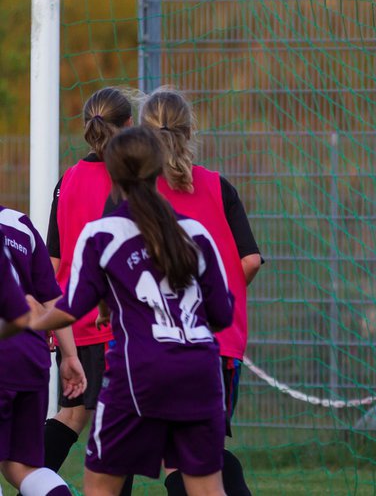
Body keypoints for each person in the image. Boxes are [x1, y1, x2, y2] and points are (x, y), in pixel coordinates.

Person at [31, 126, 235, 496]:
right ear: (159, 170)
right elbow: (222, 314)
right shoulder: (196, 233)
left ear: (112, 172)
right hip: (201, 372)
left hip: (140, 373)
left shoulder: (104, 234)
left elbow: (72, 307)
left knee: (101, 488)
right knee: (207, 490)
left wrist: (26, 322)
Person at [140, 88, 262, 496]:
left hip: (163, 343)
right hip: (221, 344)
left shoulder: (139, 196)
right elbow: (250, 260)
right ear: (191, 131)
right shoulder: (218, 186)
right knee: (200, 452)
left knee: (180, 456)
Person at [43, 87, 135, 488]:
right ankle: (30, 476)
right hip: (112, 321)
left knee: (73, 416)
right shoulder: (132, 179)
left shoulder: (68, 181)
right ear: (129, 126)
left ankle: (29, 477)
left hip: (70, 321)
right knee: (122, 421)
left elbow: (53, 262)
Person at [0, 204, 85, 496]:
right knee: (22, 466)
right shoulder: (20, 224)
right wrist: (71, 356)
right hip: (31, 357)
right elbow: (52, 299)